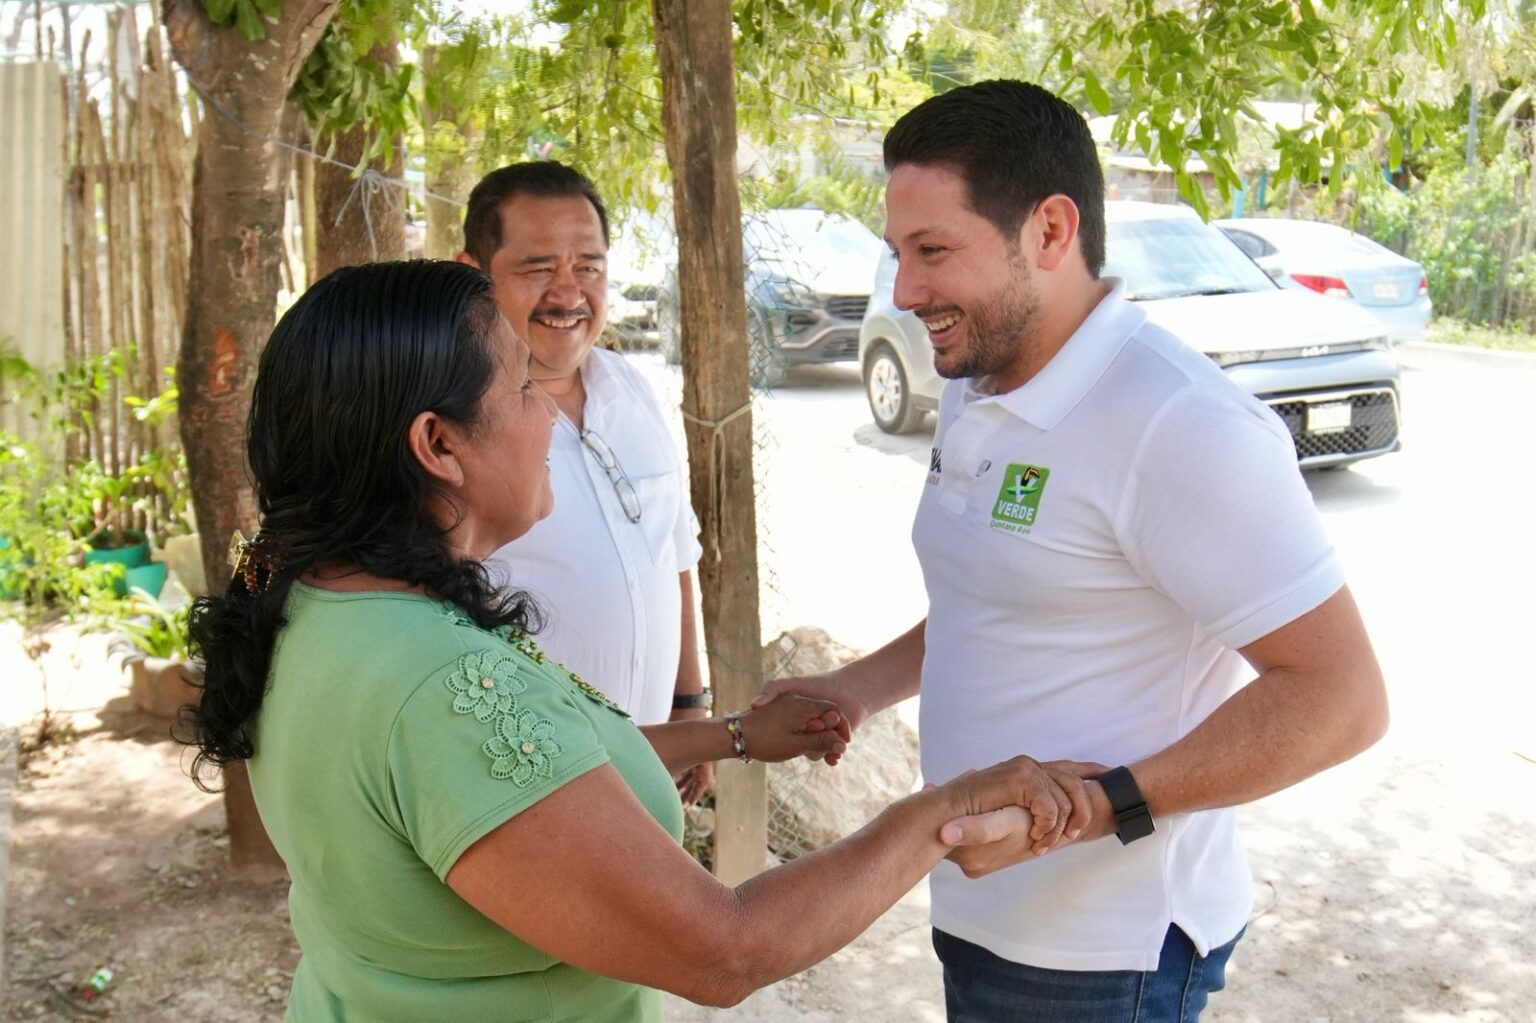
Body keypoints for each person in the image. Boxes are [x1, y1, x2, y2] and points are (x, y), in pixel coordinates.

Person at [184, 259, 1089, 1021]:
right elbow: (725, 950)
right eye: (523, 386)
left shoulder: (319, 605)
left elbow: (526, 792)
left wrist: (730, 737)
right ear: (438, 445)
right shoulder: (442, 689)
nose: (549, 416)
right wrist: (939, 812)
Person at [757, 80, 1390, 1022]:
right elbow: (1006, 600)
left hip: (1105, 955)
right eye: (899, 254)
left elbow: (1341, 698)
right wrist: (859, 686)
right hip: (981, 905)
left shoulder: (1178, 424)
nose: (904, 291)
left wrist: (1094, 808)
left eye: (934, 252)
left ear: (1050, 231)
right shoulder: (981, 372)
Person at [454, 162, 715, 803]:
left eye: (589, 267)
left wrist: (690, 705)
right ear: (472, 274)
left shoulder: (630, 388)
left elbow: (674, 554)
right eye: (538, 268)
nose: (568, 293)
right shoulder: (449, 425)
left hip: (652, 766)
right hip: (523, 785)